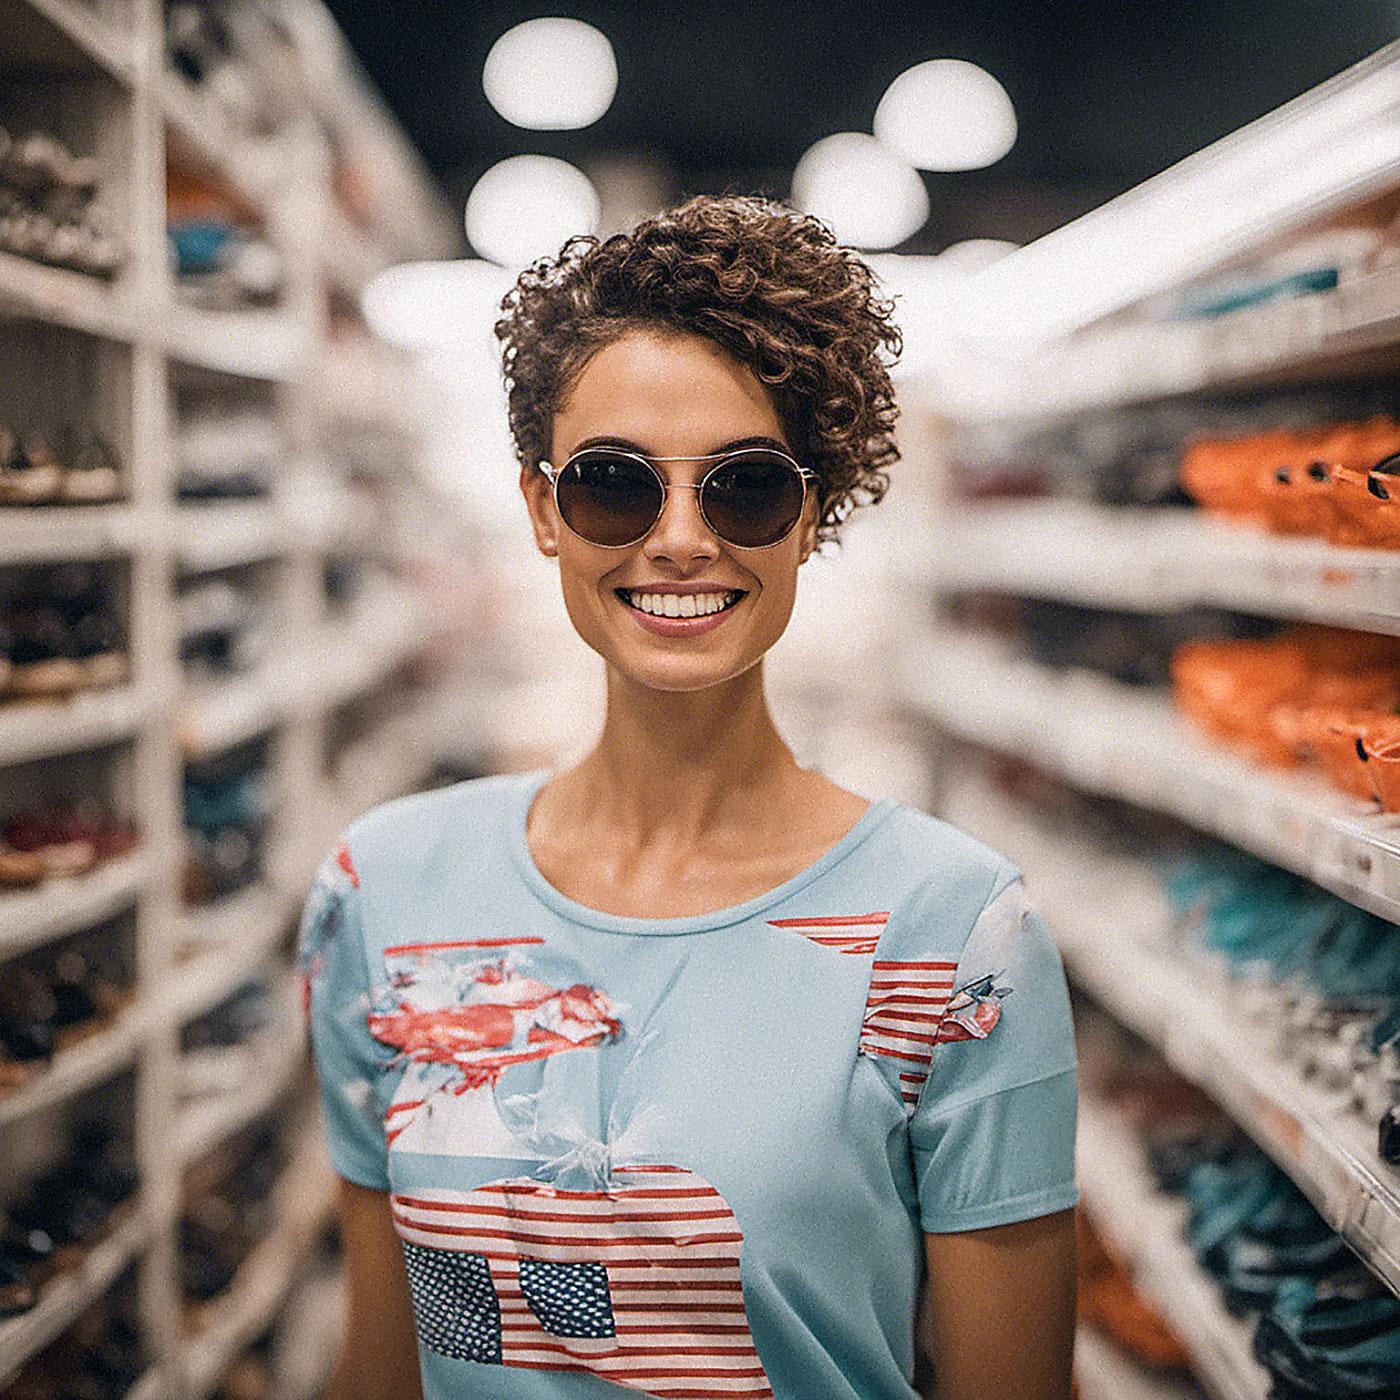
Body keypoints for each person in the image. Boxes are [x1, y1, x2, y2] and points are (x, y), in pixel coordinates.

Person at [300, 194, 1078, 1400]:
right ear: (540, 509)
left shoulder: (954, 934)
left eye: (744, 488)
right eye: (613, 483)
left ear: (810, 514)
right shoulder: (384, 889)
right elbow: (382, 1365)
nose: (676, 538)